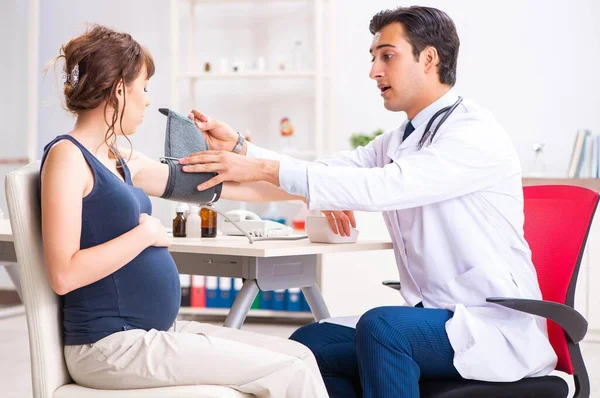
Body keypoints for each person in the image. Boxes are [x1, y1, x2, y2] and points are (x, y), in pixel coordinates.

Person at [178, 6, 558, 398]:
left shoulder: (473, 134)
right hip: (437, 319)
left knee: (384, 328)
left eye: (387, 56)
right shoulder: (400, 139)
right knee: (308, 345)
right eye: (373, 58)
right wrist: (242, 149)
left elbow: (384, 187)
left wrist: (264, 169)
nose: (374, 71)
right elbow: (325, 171)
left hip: (491, 325)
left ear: (429, 59)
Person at [40, 24, 328, 398]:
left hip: (155, 333)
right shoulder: (67, 157)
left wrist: (310, 193)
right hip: (111, 347)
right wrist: (144, 236)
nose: (146, 101)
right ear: (118, 90)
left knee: (300, 356)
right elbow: (63, 274)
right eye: (144, 88)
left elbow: (220, 184)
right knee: (288, 373)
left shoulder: (119, 158)